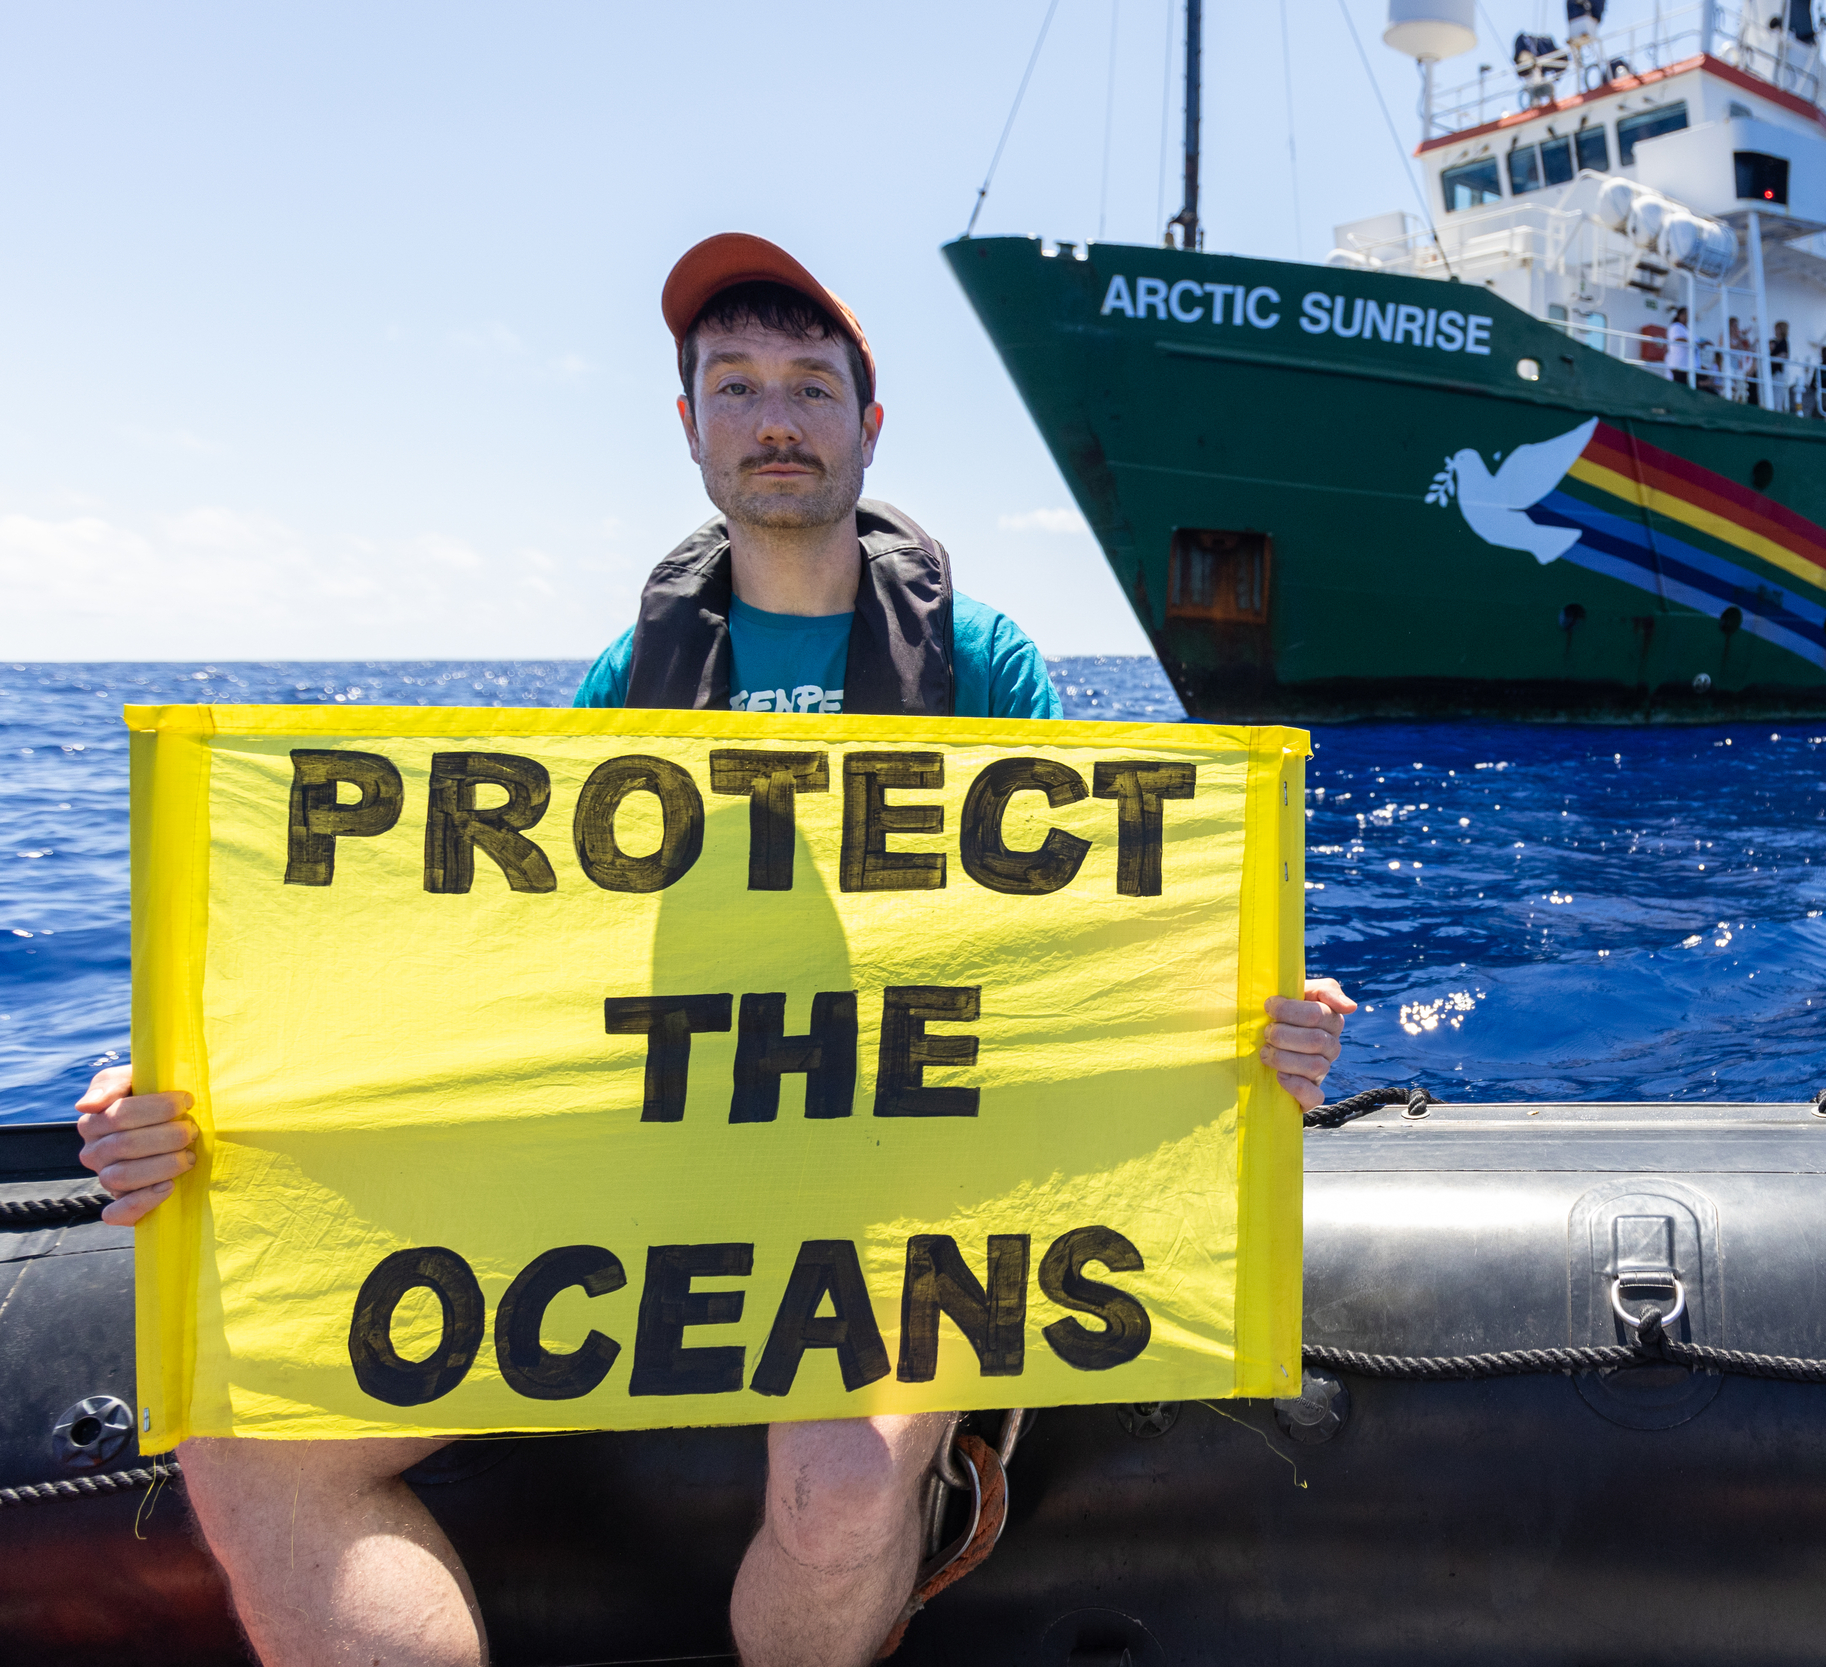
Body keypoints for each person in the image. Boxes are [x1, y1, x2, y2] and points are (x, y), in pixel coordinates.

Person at [73, 232, 1358, 1667]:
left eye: (811, 384)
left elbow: (1106, 944)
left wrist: (1261, 1024)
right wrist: (200, 1079)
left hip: (892, 1176)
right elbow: (467, 957)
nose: (774, 415)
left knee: (843, 1477)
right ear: (689, 425)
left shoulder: (982, 661)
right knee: (252, 1439)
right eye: (734, 383)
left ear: (868, 426)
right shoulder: (630, 677)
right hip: (655, 1159)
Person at [1665, 306, 1691, 386]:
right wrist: (1693, 343)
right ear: (1681, 315)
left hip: (1685, 365)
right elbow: (1677, 338)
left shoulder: (1686, 329)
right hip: (1678, 365)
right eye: (1686, 314)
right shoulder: (1676, 326)